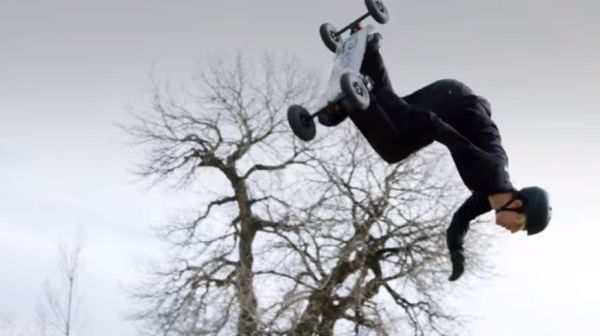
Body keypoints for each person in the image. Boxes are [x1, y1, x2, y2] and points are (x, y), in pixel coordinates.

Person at [318, 33, 552, 281]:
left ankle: (367, 53)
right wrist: (403, 113)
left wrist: (457, 256)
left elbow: (459, 223)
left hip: (452, 101)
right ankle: (355, 98)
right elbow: (441, 130)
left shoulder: (488, 196)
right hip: (453, 102)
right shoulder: (490, 172)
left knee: (391, 120)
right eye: (521, 224)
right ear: (517, 204)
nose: (514, 231)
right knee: (395, 141)